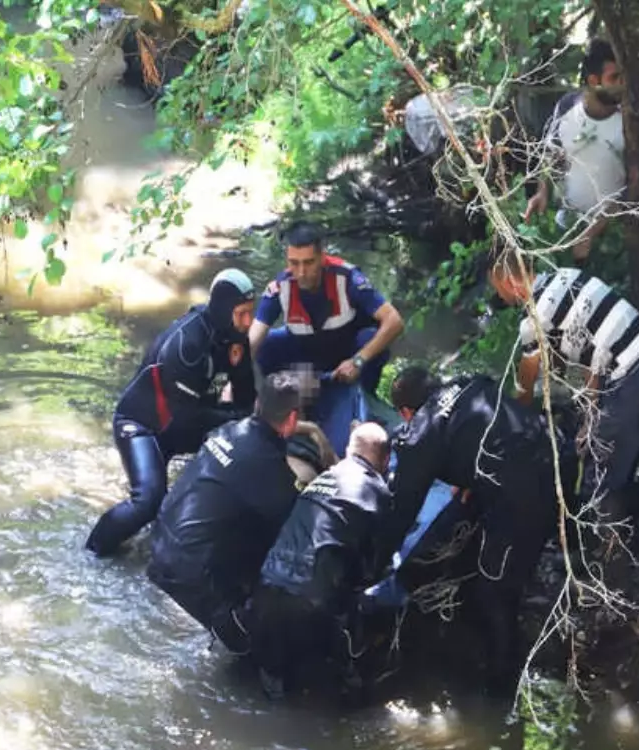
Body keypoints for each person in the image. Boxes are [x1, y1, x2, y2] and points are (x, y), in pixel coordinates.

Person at [386, 367, 556, 693]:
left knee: (495, 590)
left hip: (526, 492)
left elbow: (402, 512)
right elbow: (491, 428)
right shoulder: (470, 382)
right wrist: (468, 478)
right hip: (550, 449)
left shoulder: (422, 432)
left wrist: (375, 562)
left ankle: (500, 687)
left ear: (406, 413)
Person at [86, 269, 259, 557]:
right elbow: (190, 418)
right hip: (143, 425)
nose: (248, 321)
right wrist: (236, 419)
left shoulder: (235, 338)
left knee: (246, 437)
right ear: (222, 309)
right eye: (241, 313)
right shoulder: (186, 345)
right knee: (148, 502)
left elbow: (246, 399)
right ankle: (92, 552)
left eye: (250, 313)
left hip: (182, 422)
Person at [487, 244, 639, 504]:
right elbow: (592, 352)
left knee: (597, 477)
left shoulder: (533, 321)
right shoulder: (567, 275)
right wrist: (590, 416)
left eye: (498, 288)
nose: (499, 295)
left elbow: (525, 391)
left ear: (508, 282)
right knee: (622, 449)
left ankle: (606, 541)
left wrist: (508, 426)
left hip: (630, 373)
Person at [146, 372, 304, 641]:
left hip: (158, 552)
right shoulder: (274, 475)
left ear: (257, 403)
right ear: (291, 419)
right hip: (195, 588)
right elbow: (286, 545)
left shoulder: (225, 431)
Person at [243, 422, 394, 698]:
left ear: (349, 450)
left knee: (274, 690)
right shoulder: (378, 492)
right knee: (345, 687)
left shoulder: (325, 477)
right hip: (312, 604)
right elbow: (375, 564)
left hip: (265, 589)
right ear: (385, 460)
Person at [248, 221, 405, 395]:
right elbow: (253, 338)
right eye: (294, 263)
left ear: (322, 257)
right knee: (266, 343)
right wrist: (237, 377)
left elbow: (394, 321)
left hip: (347, 353)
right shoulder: (280, 287)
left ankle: (362, 398)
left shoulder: (348, 279)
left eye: (308, 263)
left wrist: (357, 361)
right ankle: (285, 398)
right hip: (307, 354)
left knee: (370, 337)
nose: (301, 272)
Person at [525, 37, 626, 263]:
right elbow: (551, 153)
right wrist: (542, 192)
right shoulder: (567, 107)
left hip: (611, 240)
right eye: (614, 77)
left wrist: (593, 232)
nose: (622, 83)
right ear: (593, 80)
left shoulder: (628, 120)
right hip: (568, 226)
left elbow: (630, 188)